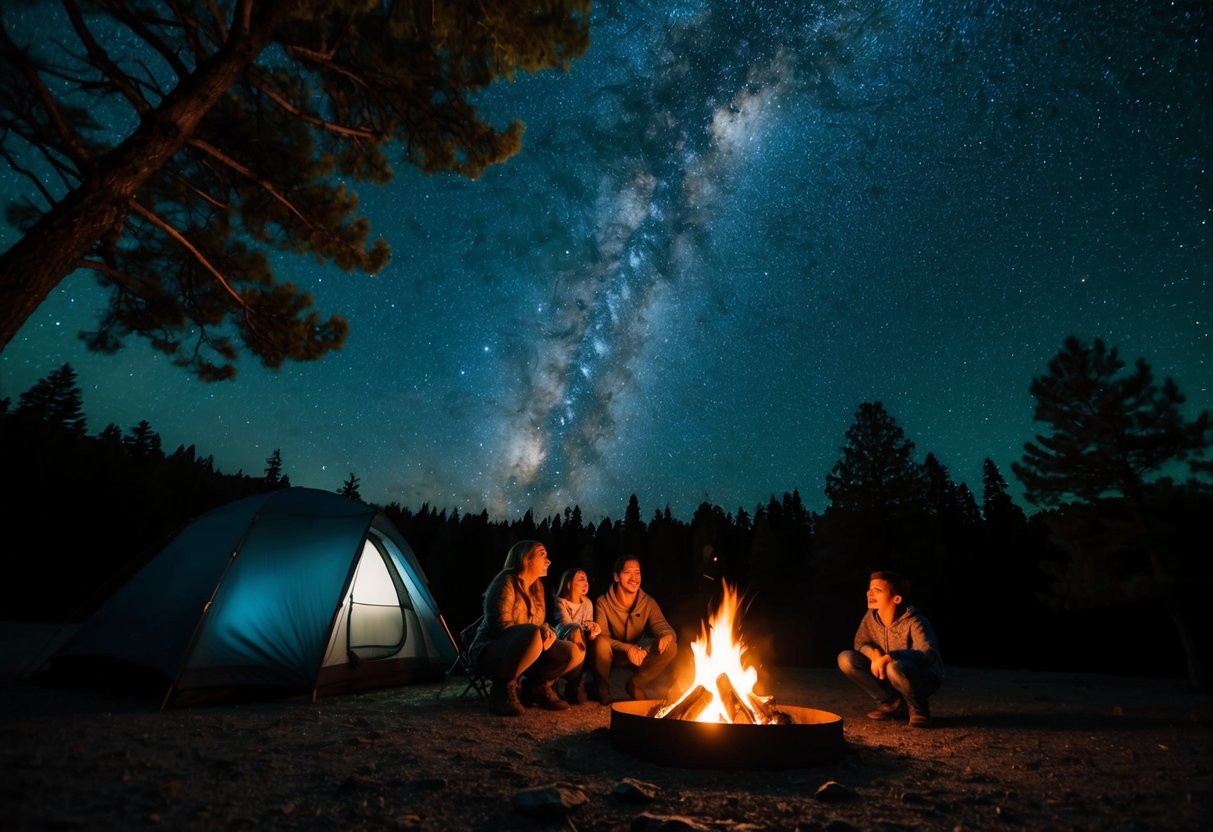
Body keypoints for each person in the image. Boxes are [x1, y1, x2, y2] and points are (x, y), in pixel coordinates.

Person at [467, 540, 584, 716]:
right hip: (490, 649)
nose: (549, 561)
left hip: (527, 646)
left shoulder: (537, 587)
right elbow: (499, 625)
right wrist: (536, 631)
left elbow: (537, 625)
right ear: (526, 559)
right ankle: (502, 689)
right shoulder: (505, 581)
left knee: (574, 651)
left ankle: (538, 687)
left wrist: (545, 629)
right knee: (533, 633)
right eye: (542, 554)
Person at [836, 570, 944, 728]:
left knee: (894, 666)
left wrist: (891, 656)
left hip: (920, 675)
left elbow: (928, 654)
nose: (869, 593)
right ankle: (892, 704)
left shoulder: (914, 621)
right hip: (887, 671)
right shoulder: (871, 617)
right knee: (845, 658)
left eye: (877, 590)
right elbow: (860, 643)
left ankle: (919, 709)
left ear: (897, 598)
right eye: (869, 589)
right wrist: (873, 654)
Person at [590, 555, 677, 704]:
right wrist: (627, 648)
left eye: (637, 572)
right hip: (614, 652)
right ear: (616, 577)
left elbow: (662, 626)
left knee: (671, 646)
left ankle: (635, 684)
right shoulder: (603, 602)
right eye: (627, 573)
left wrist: (667, 635)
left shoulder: (648, 602)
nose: (634, 578)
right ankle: (602, 688)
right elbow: (601, 636)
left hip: (639, 653)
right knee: (600, 644)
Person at [552, 568, 601, 704]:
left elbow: (587, 623)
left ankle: (579, 681)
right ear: (568, 585)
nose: (585, 583)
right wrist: (582, 629)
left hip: (582, 642)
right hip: (564, 638)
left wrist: (592, 629)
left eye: (586, 580)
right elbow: (565, 624)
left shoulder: (587, 603)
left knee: (596, 640)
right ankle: (568, 680)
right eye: (580, 579)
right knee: (574, 630)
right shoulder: (560, 602)